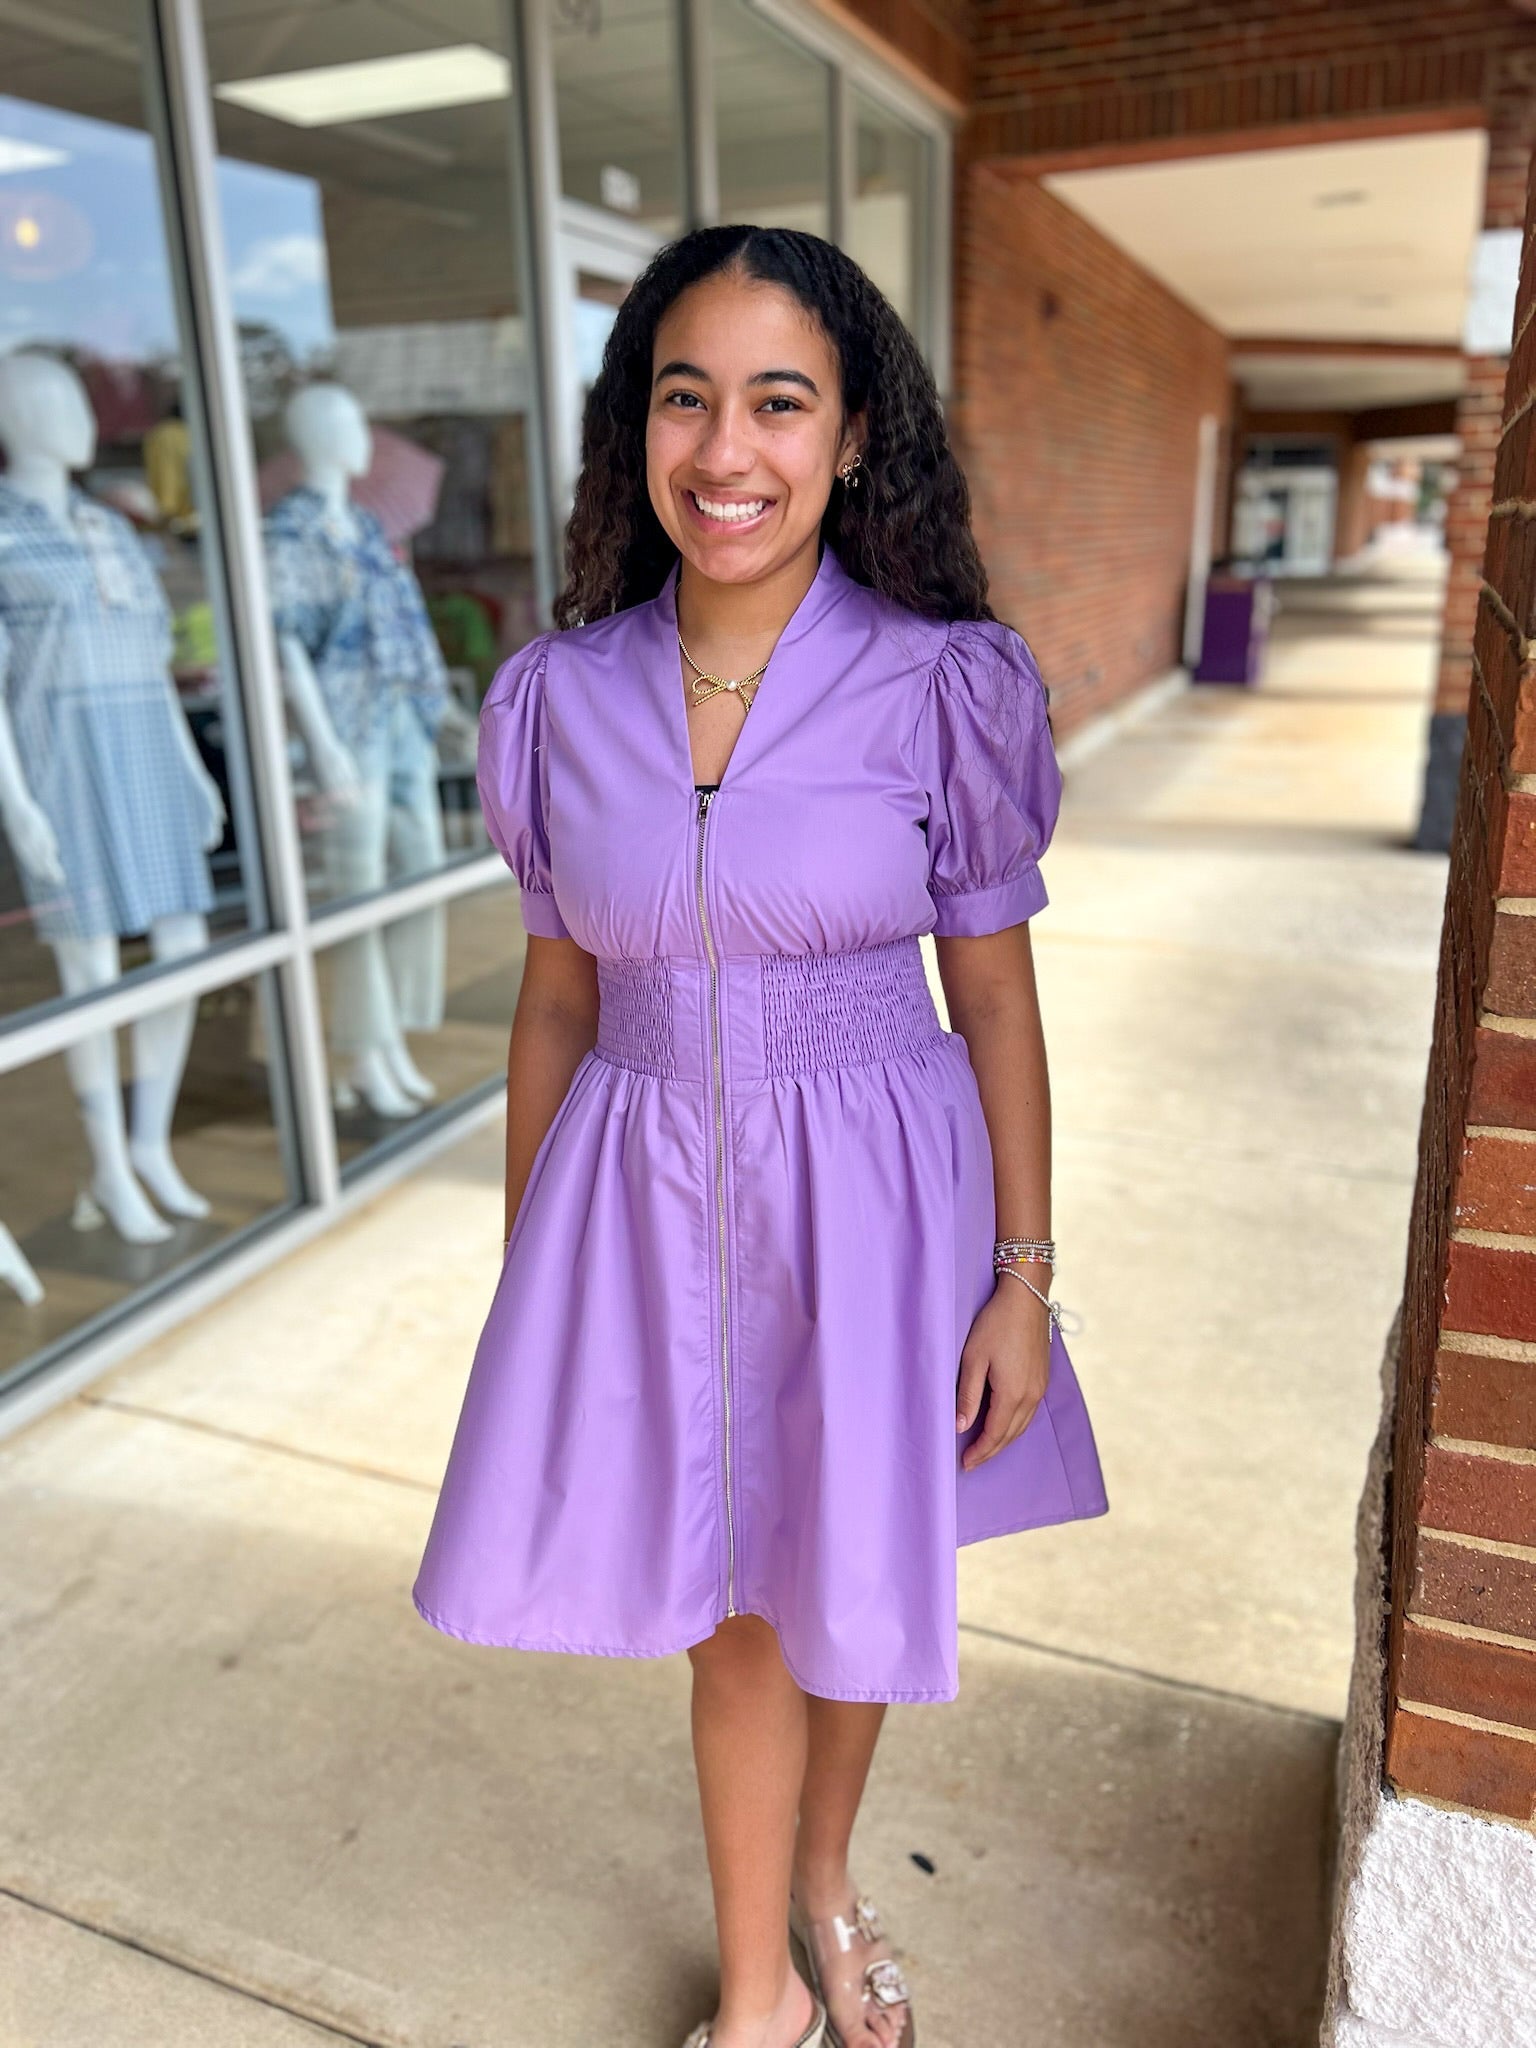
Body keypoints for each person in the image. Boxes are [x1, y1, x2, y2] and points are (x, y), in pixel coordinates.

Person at [413, 224, 1108, 2048]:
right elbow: (557, 1001)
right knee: (733, 1621)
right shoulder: (563, 701)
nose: (728, 453)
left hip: (881, 1205)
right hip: (648, 1201)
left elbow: (1001, 1003)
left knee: (849, 1577)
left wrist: (1023, 1276)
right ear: (638, 432)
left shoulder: (940, 687)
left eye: (779, 402)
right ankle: (755, 1999)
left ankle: (825, 1879)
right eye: (687, 398)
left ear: (856, 435)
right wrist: (529, 1275)